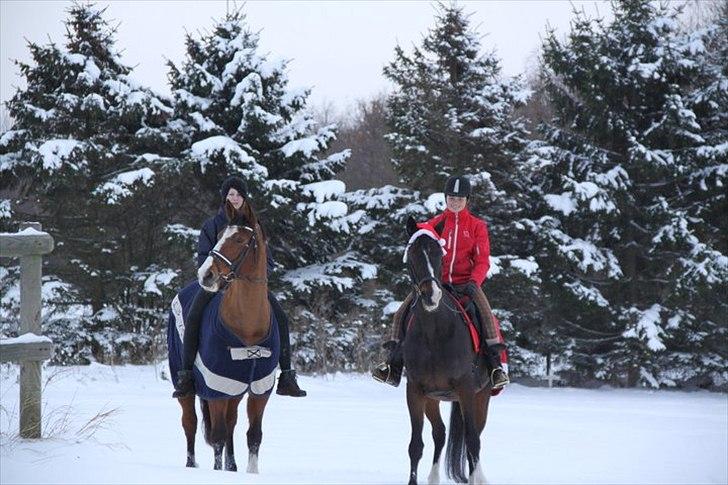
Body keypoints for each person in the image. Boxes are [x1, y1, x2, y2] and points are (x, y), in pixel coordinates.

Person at [172, 175, 307, 398]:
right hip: (218, 284)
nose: (233, 198)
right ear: (224, 197)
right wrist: (224, 277)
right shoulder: (212, 225)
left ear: (244, 198)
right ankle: (186, 375)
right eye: (230, 194)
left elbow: (267, 262)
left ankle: (287, 376)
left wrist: (255, 279)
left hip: (249, 288)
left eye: (237, 194)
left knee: (281, 317)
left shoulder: (254, 227)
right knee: (195, 314)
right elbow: (204, 259)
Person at [372, 175, 509, 389]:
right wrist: (412, 228)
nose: (455, 202)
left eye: (460, 199)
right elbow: (420, 234)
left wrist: (475, 282)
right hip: (437, 283)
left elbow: (482, 260)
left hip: (466, 283)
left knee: (487, 315)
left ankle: (494, 367)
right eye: (451, 198)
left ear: (467, 200)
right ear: (446, 199)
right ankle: (392, 366)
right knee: (401, 313)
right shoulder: (436, 224)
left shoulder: (476, 227)